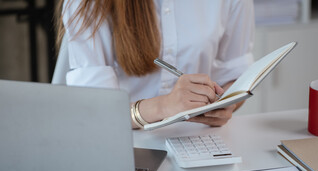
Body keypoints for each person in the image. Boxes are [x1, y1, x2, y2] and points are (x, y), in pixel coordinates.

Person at [56, 0, 255, 129]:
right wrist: (165, 106)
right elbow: (94, 112)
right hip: (126, 141)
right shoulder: (86, 4)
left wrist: (227, 104)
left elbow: (236, 73)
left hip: (199, 139)